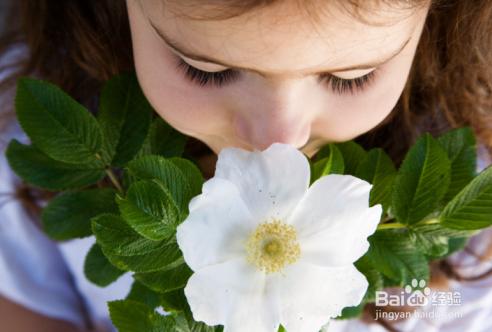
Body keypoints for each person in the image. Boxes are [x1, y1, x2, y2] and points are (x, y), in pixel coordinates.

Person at [0, 0, 491, 331]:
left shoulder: (466, 169)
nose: (278, 139)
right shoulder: (26, 128)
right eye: (205, 70)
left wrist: (400, 300)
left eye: (350, 78)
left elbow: (447, 308)